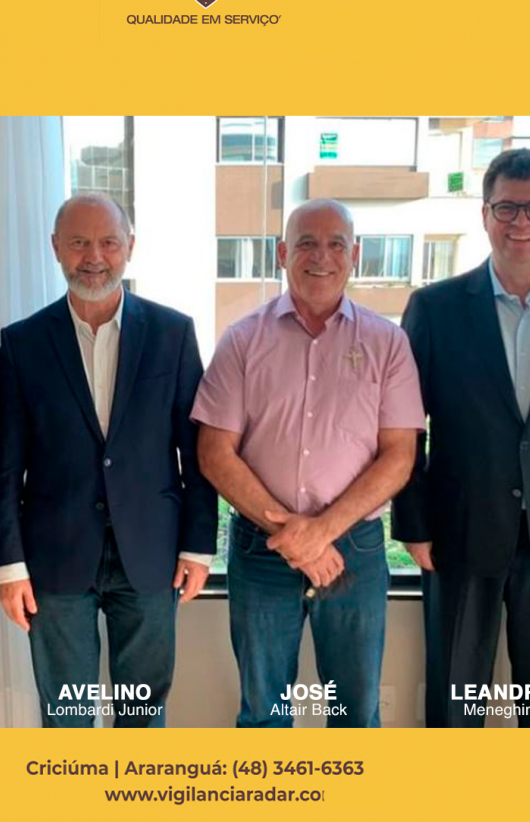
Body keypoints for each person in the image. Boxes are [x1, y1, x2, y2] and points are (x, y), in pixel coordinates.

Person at [392, 148, 530, 727]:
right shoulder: (434, 308)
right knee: (456, 699)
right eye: (507, 208)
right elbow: (405, 425)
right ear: (485, 214)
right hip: (459, 531)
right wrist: (413, 523)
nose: (522, 222)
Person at [0, 194, 217, 727]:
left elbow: (197, 452)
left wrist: (198, 546)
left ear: (130, 247)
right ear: (56, 248)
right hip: (55, 556)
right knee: (65, 716)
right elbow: (5, 468)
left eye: (108, 242)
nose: (94, 256)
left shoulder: (173, 334)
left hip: (152, 554)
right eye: (79, 242)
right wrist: (10, 566)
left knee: (142, 715)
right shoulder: (22, 344)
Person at [192, 198, 424, 727]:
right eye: (306, 244)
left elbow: (399, 456)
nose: (322, 256)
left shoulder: (388, 343)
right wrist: (296, 536)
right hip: (260, 550)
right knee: (263, 716)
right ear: (282, 254)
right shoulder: (242, 340)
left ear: (355, 256)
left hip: (355, 550)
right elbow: (213, 453)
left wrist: (321, 532)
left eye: (336, 244)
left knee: (355, 716)